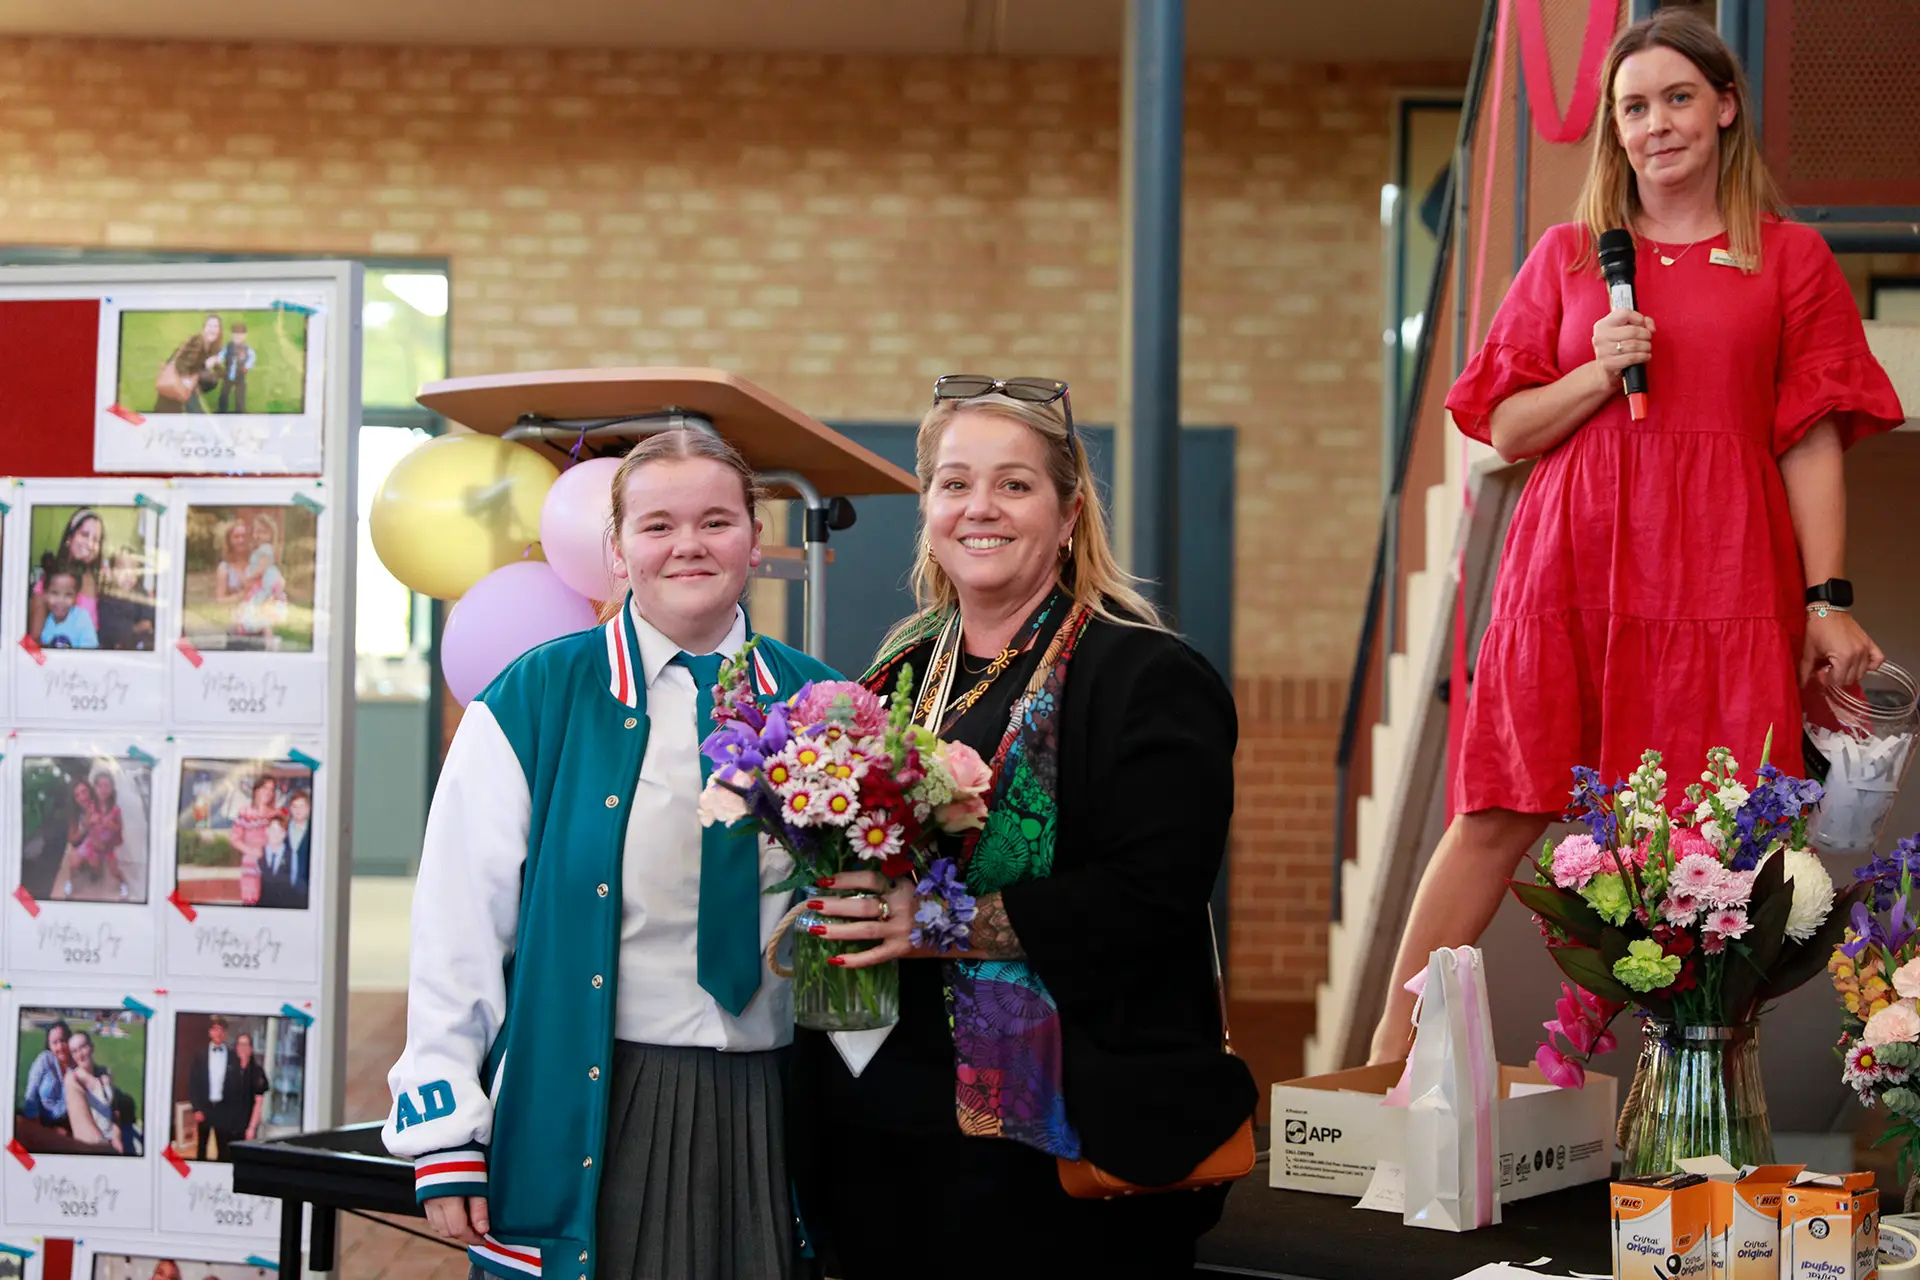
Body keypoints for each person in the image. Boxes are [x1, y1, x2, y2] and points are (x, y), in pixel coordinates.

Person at [1368, 10, 1906, 1062]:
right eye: (1633, 107)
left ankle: (1698, 1085)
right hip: (1572, 563)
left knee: (1718, 838)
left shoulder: (1791, 258)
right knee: (1500, 805)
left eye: (1677, 98)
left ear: (1725, 107)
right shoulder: (1568, 256)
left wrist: (1827, 598)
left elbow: (1810, 439)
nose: (1655, 124)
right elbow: (1505, 426)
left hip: (1724, 569)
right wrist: (1597, 370)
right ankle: (1389, 1050)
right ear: (1614, 129)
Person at [789, 378, 1256, 1278]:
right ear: (929, 508)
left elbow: (1150, 901)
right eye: (955, 483)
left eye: (1014, 484)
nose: (980, 508)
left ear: (1069, 512)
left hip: (1051, 1150)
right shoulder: (895, 669)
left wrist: (934, 922)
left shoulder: (1146, 676)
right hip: (877, 1126)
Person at [385, 427, 840, 1280]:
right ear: (618, 551)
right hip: (596, 1093)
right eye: (658, 525)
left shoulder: (825, 700)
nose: (688, 545)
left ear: (754, 539)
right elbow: (458, 922)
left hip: (773, 1098)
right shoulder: (534, 695)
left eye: (716, 521)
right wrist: (445, 1134)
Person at [27, 507, 104, 641]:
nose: (90, 545)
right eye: (84, 535)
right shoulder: (51, 579)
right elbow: (31, 642)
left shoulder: (100, 580)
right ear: (70, 537)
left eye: (96, 540)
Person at [188, 1016, 249, 1162]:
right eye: (215, 1029)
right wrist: (196, 1109)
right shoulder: (200, 1055)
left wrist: (233, 1112)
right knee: (202, 1147)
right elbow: (193, 1083)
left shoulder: (233, 1056)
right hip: (205, 1107)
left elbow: (236, 1086)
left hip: (224, 1109)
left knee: (223, 1148)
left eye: (222, 1030)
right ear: (210, 1032)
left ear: (225, 1033)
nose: (219, 1033)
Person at [63, 1031, 127, 1154]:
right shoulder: (74, 1080)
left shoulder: (106, 1073)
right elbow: (83, 1126)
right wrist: (106, 1147)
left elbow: (114, 1109)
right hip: (94, 1144)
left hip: (113, 1135)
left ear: (91, 1047)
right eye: (74, 1051)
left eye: (83, 1047)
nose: (80, 1054)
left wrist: (117, 1136)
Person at [154, 314, 224, 414]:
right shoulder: (196, 342)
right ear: (204, 328)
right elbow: (181, 367)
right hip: (178, 376)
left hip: (186, 377)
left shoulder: (213, 345)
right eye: (210, 326)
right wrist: (204, 366)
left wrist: (225, 373)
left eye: (216, 326)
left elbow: (216, 367)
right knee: (195, 413)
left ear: (219, 330)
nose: (212, 329)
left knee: (213, 380)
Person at [97, 547, 156, 651]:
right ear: (111, 572)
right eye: (122, 568)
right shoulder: (106, 600)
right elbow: (114, 632)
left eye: (133, 569)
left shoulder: (141, 594)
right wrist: (136, 628)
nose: (128, 574)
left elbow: (149, 622)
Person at [20, 1021, 74, 1126]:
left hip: (70, 1125)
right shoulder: (45, 1060)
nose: (60, 1047)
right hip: (41, 1124)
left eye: (63, 1040)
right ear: (49, 1045)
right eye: (54, 1043)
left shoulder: (76, 1065)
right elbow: (31, 1095)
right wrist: (40, 1128)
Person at [38, 568, 99, 649]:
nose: (61, 600)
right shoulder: (45, 620)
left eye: (68, 594)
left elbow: (90, 651)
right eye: (55, 593)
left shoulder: (82, 618)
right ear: (45, 594)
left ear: (76, 597)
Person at [256, 817, 306, 910]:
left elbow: (295, 880)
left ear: (285, 834)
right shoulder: (258, 854)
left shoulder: (292, 855)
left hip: (285, 906)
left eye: (280, 831)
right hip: (263, 907)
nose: (276, 834)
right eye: (273, 830)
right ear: (267, 831)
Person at [234, 1032, 272, 1142]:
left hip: (247, 1124)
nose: (242, 1048)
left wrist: (251, 1128)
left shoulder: (257, 1071)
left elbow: (258, 1102)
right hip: (229, 1125)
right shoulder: (230, 1069)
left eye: (245, 1045)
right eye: (240, 1044)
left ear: (251, 1049)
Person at [217, 320, 255, 413]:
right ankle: (221, 411)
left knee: (240, 396)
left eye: (240, 336)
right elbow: (222, 353)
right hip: (227, 375)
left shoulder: (246, 349)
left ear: (245, 336)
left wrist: (247, 366)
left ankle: (240, 412)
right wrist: (218, 360)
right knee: (224, 394)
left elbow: (252, 357)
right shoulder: (228, 346)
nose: (237, 338)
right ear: (232, 335)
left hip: (240, 376)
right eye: (235, 336)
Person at [285, 790, 314, 895]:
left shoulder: (315, 831)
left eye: (302, 806)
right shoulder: (283, 830)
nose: (298, 810)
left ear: (309, 808)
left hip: (308, 890)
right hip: (285, 889)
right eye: (295, 806)